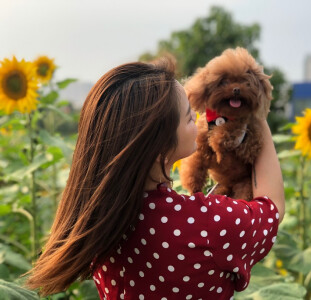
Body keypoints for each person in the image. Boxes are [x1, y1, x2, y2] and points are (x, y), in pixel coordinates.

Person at [25, 57, 285, 299]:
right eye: (187, 118)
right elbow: (271, 208)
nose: (197, 118)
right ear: (159, 146)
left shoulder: (95, 218)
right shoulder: (207, 224)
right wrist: (257, 117)